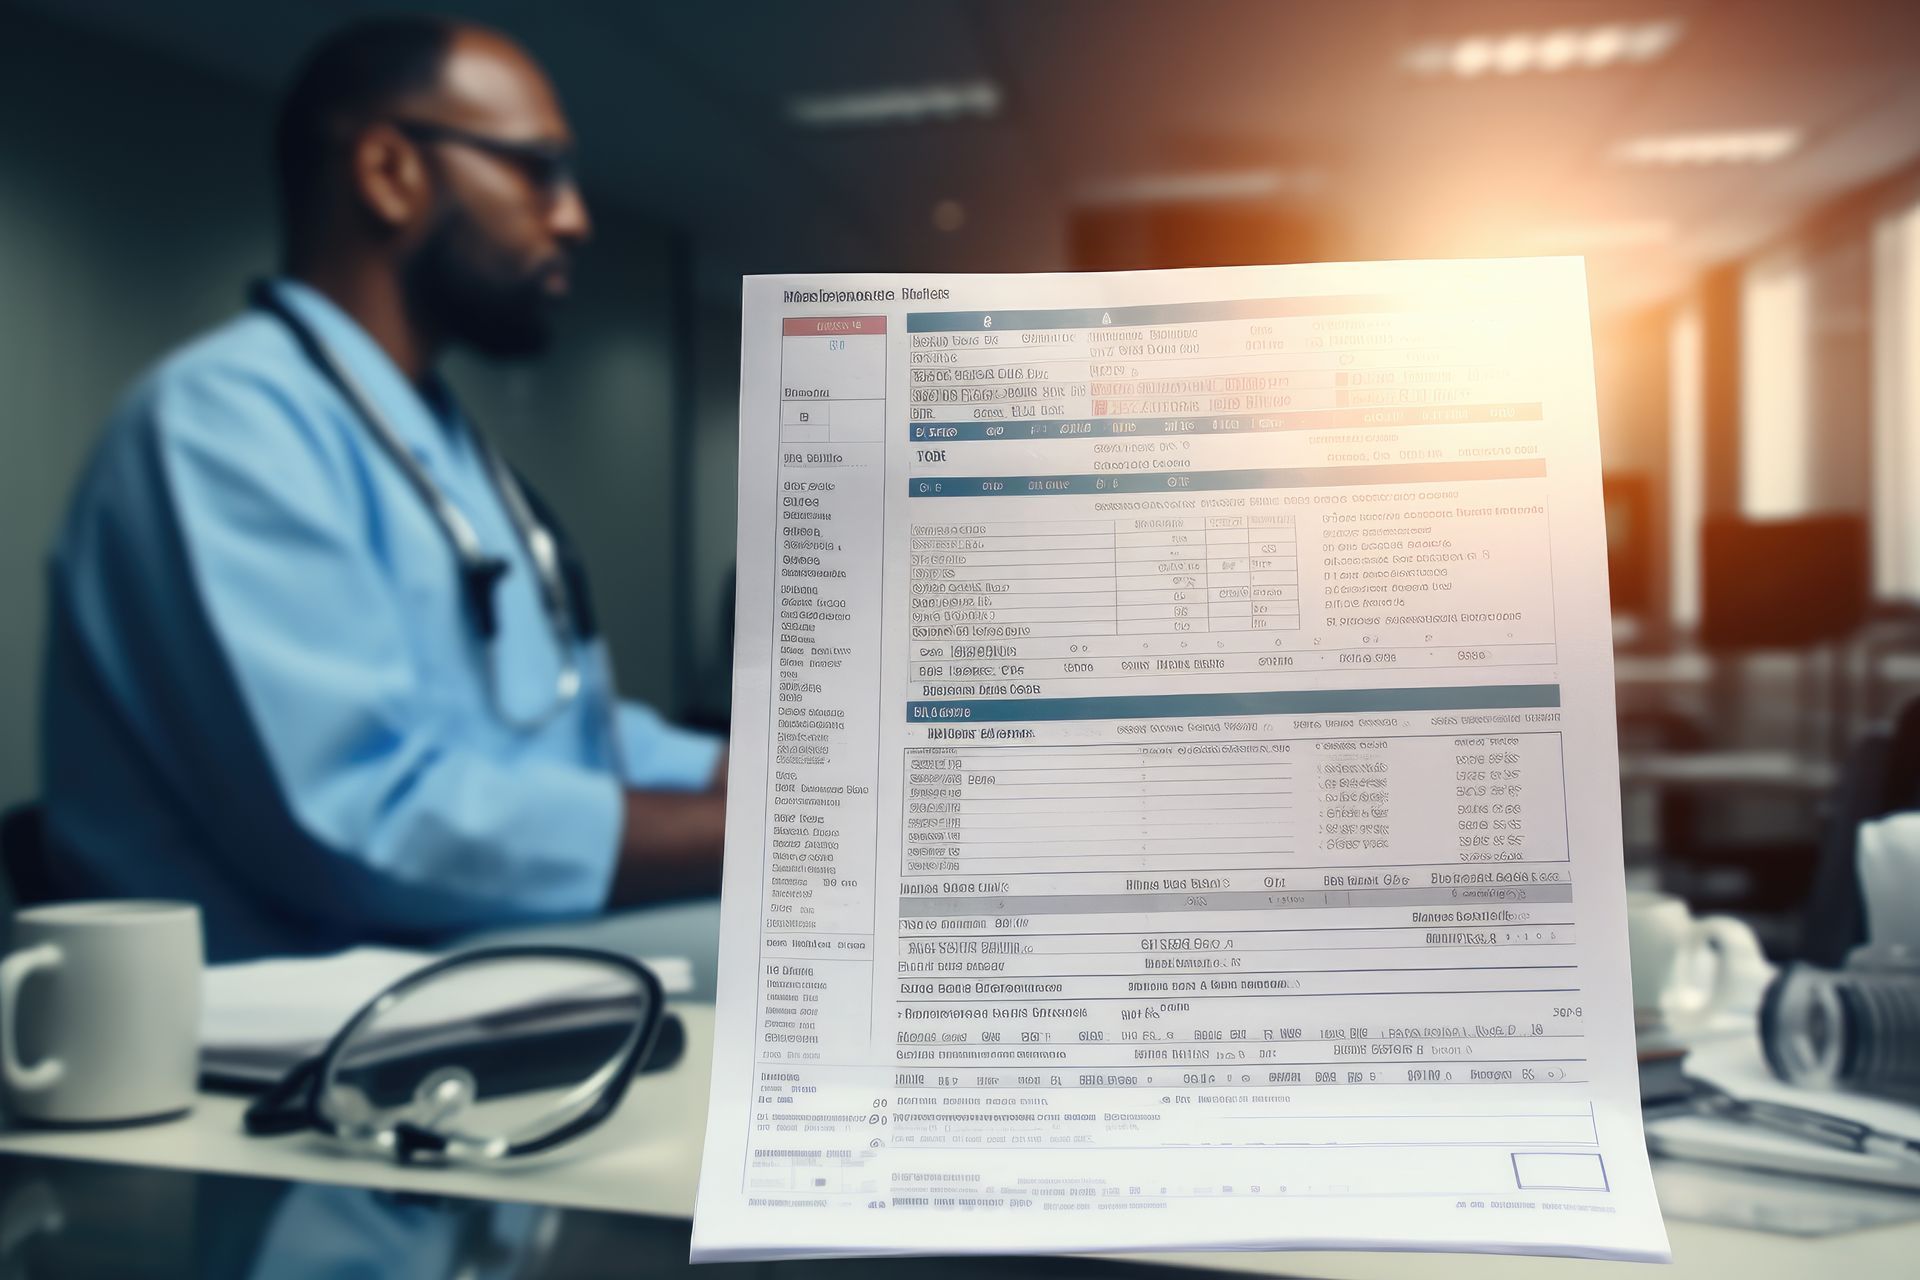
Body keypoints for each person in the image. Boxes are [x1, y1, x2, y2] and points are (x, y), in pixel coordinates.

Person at [39, 17, 726, 961]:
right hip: (294, 1019)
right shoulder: (220, 422)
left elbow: (558, 729)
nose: (573, 217)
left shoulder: (437, 441)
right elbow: (362, 824)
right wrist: (759, 832)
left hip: (454, 958)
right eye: (536, 168)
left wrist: (772, 775)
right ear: (389, 173)